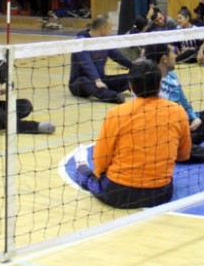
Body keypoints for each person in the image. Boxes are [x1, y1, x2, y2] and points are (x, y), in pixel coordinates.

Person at [74, 59, 191, 209]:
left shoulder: (117, 113)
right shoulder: (178, 111)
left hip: (119, 193)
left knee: (88, 176)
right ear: (160, 84)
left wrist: (100, 176)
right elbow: (183, 155)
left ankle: (81, 163)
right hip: (160, 194)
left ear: (130, 87)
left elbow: (101, 158)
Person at [68, 14, 133, 103]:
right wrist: (97, 80)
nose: (110, 32)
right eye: (109, 29)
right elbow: (87, 63)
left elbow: (119, 57)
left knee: (131, 77)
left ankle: (137, 88)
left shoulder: (105, 42)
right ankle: (114, 96)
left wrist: (135, 67)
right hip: (79, 83)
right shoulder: (81, 42)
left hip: (101, 80)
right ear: (102, 29)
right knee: (84, 81)